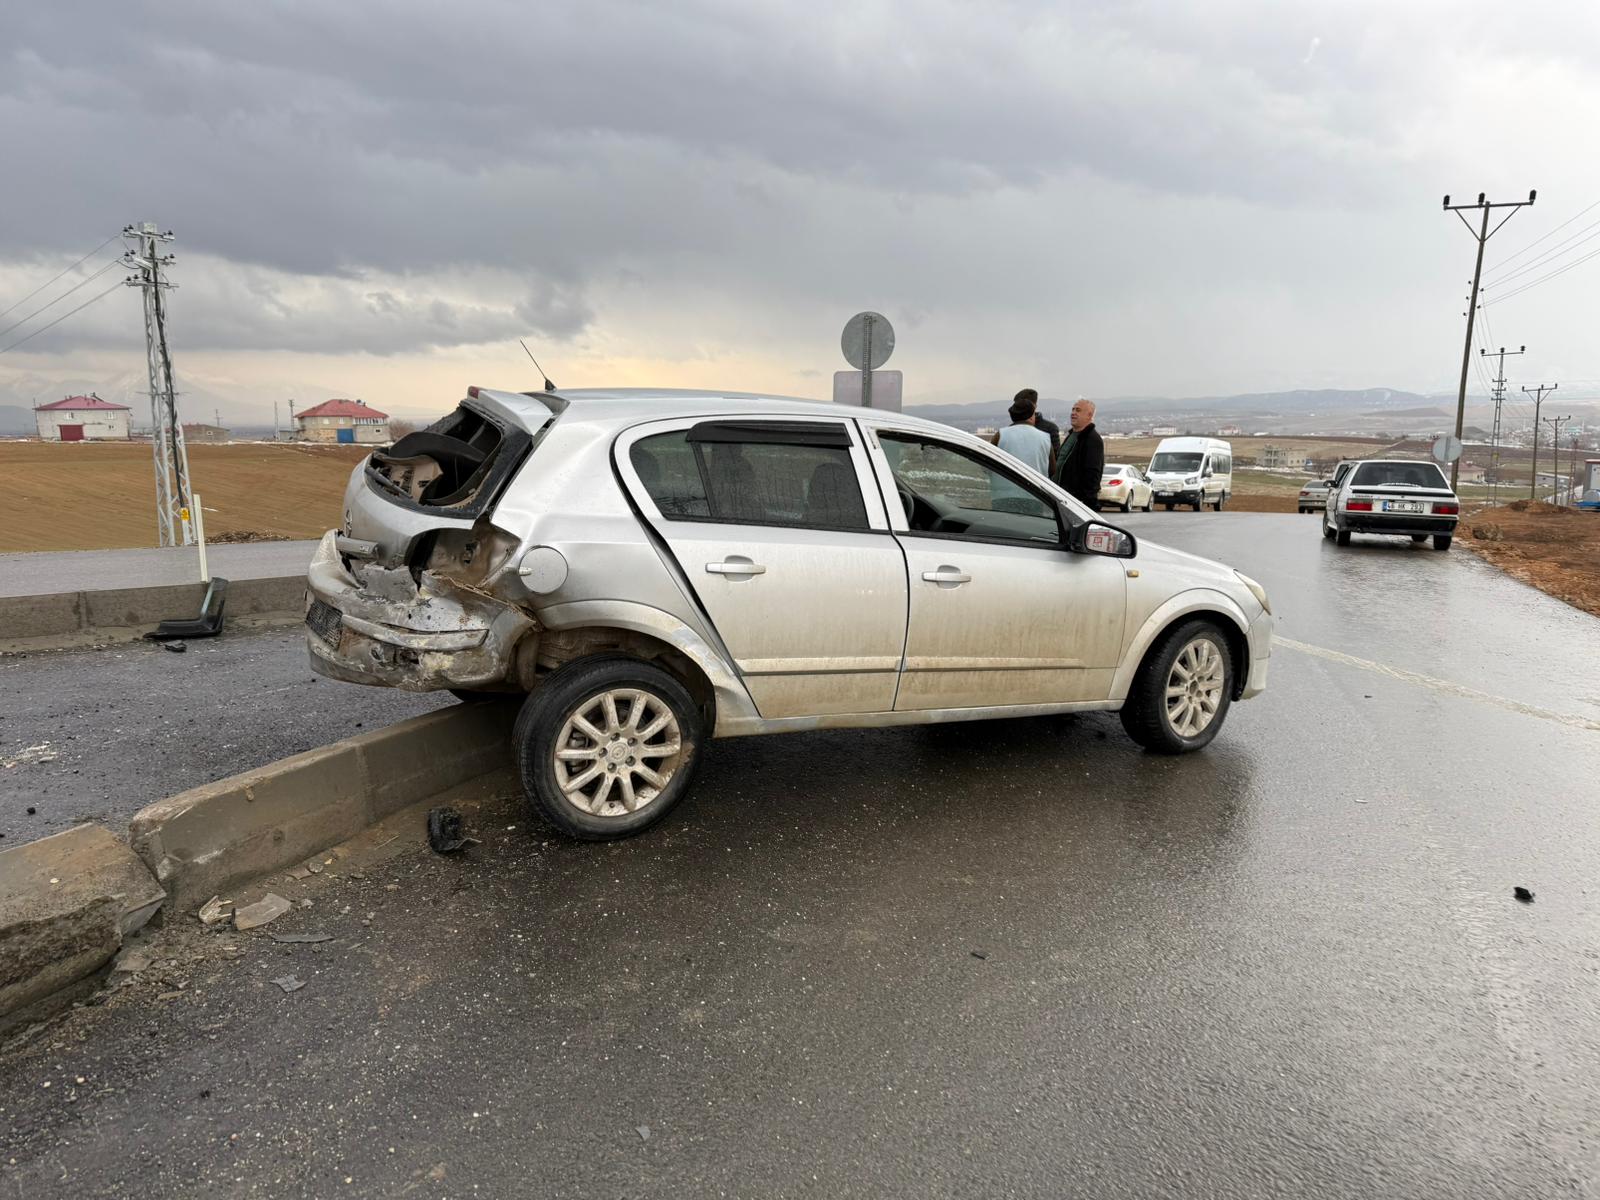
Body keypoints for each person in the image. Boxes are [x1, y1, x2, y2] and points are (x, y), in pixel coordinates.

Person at [992, 398, 1054, 512]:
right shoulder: (1045, 438)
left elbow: (988, 465)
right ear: (1031, 416)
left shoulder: (1000, 435)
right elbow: (1052, 470)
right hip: (1035, 496)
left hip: (1002, 497)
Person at [1053, 397, 1104, 509]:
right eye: (1073, 409)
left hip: (1076, 503)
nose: (1073, 413)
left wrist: (1087, 504)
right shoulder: (1072, 435)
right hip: (1061, 499)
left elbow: (1092, 474)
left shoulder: (1092, 440)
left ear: (1089, 416)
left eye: (1078, 410)